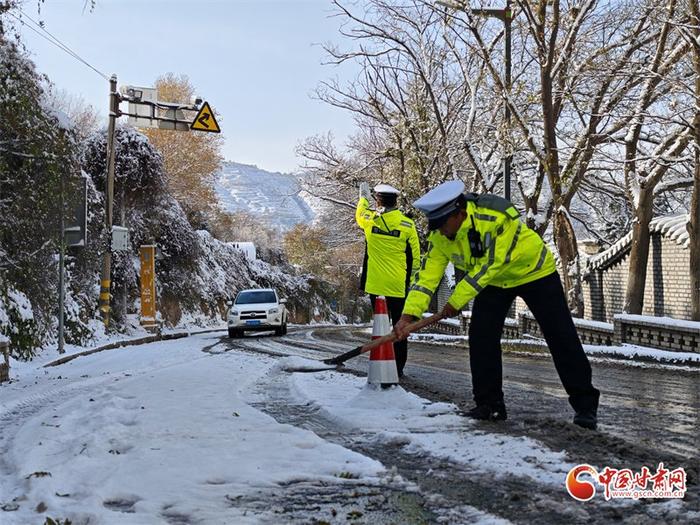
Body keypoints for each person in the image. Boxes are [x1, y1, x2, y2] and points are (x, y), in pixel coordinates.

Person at [394, 180, 600, 429]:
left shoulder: (494, 217)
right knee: (481, 336)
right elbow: (427, 277)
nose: (440, 232)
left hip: (535, 273)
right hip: (494, 283)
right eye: (435, 226)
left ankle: (585, 405)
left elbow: (490, 264)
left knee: (560, 336)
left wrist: (456, 301)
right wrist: (408, 315)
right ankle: (489, 405)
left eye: (443, 224)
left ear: (460, 214)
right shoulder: (441, 236)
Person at [356, 182, 420, 377]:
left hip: (375, 286)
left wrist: (363, 199)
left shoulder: (370, 220)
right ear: (396, 201)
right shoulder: (408, 225)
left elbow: (360, 213)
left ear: (378, 201)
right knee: (399, 328)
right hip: (398, 286)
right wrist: (411, 281)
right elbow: (416, 257)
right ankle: (398, 368)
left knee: (380, 326)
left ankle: (380, 364)